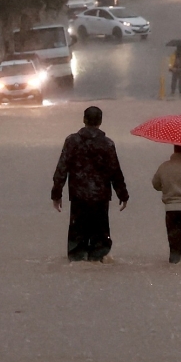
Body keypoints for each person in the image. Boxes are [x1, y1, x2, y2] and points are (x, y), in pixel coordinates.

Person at [50, 106, 129, 262]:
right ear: (100, 121)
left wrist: (56, 194)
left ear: (84, 120)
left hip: (78, 197)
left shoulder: (71, 141)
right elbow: (115, 171)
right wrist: (123, 194)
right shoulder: (107, 144)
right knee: (100, 238)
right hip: (100, 198)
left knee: (77, 237)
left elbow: (62, 168)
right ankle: (97, 262)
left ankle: (78, 261)